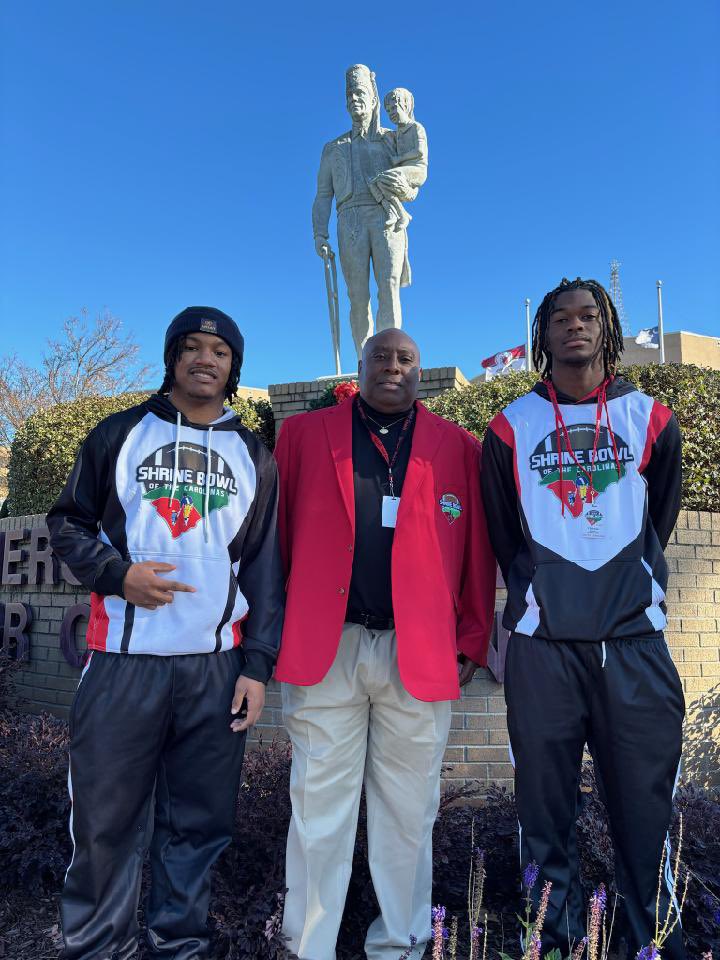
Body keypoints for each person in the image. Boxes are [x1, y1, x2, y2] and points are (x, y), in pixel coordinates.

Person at [47, 306, 284, 960]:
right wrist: (118, 576)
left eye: (220, 351)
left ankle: (178, 947)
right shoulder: (117, 434)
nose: (205, 360)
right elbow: (66, 524)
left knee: (198, 827)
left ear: (235, 367)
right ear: (172, 357)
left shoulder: (254, 456)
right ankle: (98, 950)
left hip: (214, 669)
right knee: (106, 825)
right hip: (125, 662)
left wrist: (257, 667)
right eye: (192, 348)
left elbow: (265, 569)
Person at [274, 328, 496, 960]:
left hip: (418, 654)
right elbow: (275, 541)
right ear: (362, 365)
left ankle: (399, 945)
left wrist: (470, 640)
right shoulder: (302, 437)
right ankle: (306, 946)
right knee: (318, 811)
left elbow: (477, 553)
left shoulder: (460, 448)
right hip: (327, 648)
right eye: (381, 356)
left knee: (408, 815)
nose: (392, 367)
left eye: (406, 358)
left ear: (419, 371)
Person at [481, 278, 685, 959]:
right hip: (544, 649)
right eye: (560, 318)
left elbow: (660, 519)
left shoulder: (652, 419)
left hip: (633, 644)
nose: (575, 326)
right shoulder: (509, 427)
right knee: (546, 817)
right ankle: (553, 942)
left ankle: (647, 943)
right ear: (542, 335)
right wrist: (546, 591)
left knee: (644, 815)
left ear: (607, 328)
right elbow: (504, 536)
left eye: (587, 315)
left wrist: (627, 586)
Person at [312, 65, 426, 359]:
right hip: (349, 219)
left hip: (386, 216)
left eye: (360, 93)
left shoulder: (393, 138)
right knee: (357, 295)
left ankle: (391, 356)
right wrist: (319, 234)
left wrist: (404, 181)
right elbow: (324, 195)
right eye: (350, 95)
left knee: (388, 287)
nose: (354, 100)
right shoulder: (333, 148)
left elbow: (417, 169)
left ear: (373, 99)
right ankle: (364, 360)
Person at [369, 87, 428, 232]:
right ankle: (397, 212)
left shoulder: (416, 127)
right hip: (404, 170)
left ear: (406, 106)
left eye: (394, 108)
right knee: (374, 183)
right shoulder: (397, 134)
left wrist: (399, 159)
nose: (391, 113)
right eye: (388, 111)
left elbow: (419, 151)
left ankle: (400, 214)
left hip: (417, 169)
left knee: (384, 179)